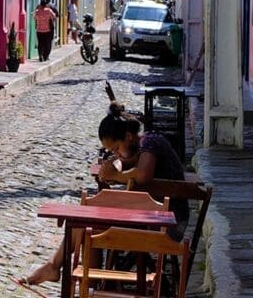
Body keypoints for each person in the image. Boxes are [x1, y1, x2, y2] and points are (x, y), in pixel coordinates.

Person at [25, 102, 190, 287]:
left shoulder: (151, 142)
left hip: (168, 225)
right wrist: (114, 166)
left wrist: (116, 175)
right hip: (149, 220)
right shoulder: (138, 148)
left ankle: (81, 282)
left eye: (116, 148)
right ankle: (71, 275)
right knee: (86, 225)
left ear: (128, 137)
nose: (116, 153)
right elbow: (126, 163)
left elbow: (143, 175)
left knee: (87, 228)